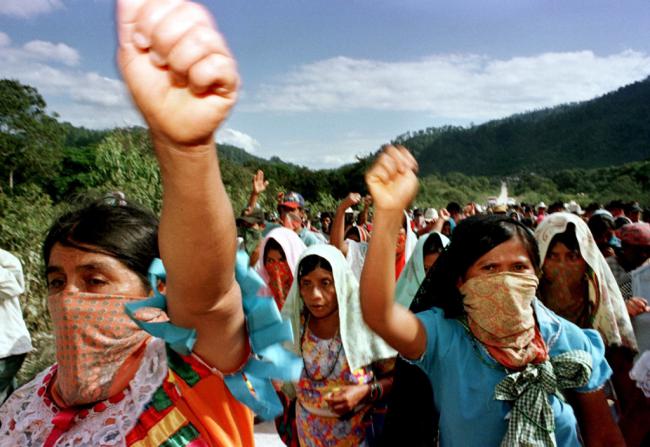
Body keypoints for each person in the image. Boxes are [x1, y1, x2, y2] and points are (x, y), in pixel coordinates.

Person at [0, 1, 299, 445]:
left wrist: (187, 148)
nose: (68, 299)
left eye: (95, 280)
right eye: (56, 281)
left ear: (156, 294)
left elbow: (208, 295)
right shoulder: (22, 408)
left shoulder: (188, 372)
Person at [359, 145, 625, 446]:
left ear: (536, 275)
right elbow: (379, 314)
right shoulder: (445, 340)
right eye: (489, 268)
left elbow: (603, 437)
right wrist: (388, 214)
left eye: (518, 267)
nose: (506, 280)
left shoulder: (567, 341)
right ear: (461, 282)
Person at [281, 244, 396, 447]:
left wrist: (364, 392)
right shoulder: (295, 327)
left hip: (358, 438)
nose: (315, 294)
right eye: (306, 284)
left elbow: (397, 378)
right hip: (307, 436)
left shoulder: (363, 327)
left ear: (341, 283)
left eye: (326, 283)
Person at [0, 248, 32, 404]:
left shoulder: (6, 261)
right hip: (7, 349)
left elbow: (13, 287)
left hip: (6, 350)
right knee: (10, 402)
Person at [255, 226, 307, 310]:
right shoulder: (259, 290)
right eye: (270, 261)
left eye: (282, 260)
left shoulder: (307, 291)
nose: (276, 269)